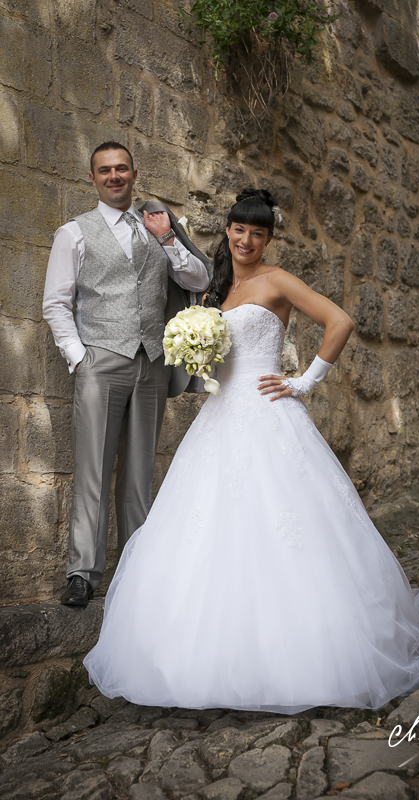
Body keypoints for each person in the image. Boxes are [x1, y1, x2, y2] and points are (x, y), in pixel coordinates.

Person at [84, 189, 419, 713]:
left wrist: (305, 381)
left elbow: (340, 322)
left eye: (258, 232)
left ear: (268, 237)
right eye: (239, 230)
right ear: (227, 230)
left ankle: (303, 655)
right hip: (221, 418)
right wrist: (199, 359)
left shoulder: (277, 280)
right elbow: (221, 359)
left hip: (269, 415)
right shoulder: (219, 288)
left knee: (285, 527)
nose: (247, 240)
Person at [43, 142, 210, 607]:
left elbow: (198, 280)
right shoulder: (73, 233)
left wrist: (169, 240)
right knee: (94, 468)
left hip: (151, 363)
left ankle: (138, 567)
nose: (114, 177)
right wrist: (79, 357)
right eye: (104, 171)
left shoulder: (158, 226)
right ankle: (83, 572)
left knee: (139, 471)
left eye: (121, 169)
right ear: (93, 178)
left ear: (135, 174)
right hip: (101, 360)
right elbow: (56, 303)